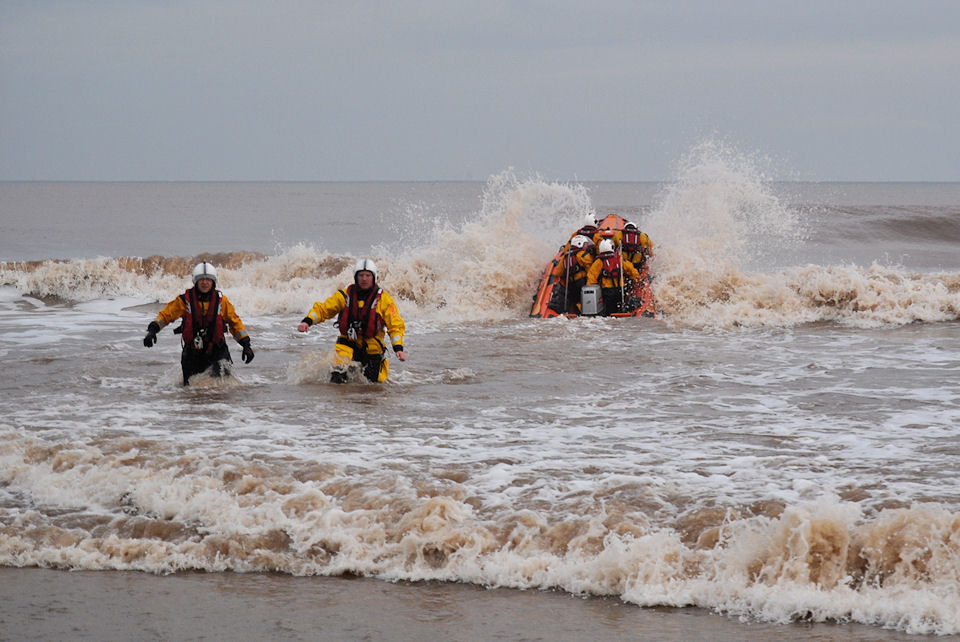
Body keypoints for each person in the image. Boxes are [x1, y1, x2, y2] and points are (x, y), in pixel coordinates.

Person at [297, 258, 407, 384]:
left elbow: (396, 326)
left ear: (374, 277)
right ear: (356, 277)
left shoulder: (385, 300)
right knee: (336, 379)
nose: (364, 279)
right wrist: (307, 321)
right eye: (361, 275)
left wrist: (398, 348)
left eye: (367, 275)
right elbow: (323, 309)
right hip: (347, 344)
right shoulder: (344, 296)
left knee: (373, 387)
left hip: (372, 348)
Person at [143, 261, 254, 385]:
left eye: (208, 279)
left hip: (217, 351)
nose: (205, 282)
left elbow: (235, 323)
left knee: (223, 388)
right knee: (190, 391)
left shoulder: (222, 302)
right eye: (201, 279)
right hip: (192, 352)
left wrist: (246, 345)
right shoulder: (184, 301)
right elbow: (165, 316)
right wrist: (152, 331)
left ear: (213, 281)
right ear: (195, 281)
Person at [586, 239, 642, 315]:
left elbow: (591, 277)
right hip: (621, 289)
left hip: (607, 291)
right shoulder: (619, 258)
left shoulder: (599, 261)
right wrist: (637, 281)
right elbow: (631, 270)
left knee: (609, 310)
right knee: (621, 305)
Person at [548, 235, 595, 314]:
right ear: (580, 244)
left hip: (571, 285)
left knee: (575, 299)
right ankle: (583, 311)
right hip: (583, 282)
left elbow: (559, 272)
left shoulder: (566, 256)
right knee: (583, 299)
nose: (586, 246)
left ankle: (575, 311)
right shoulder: (582, 255)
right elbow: (591, 268)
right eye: (585, 244)